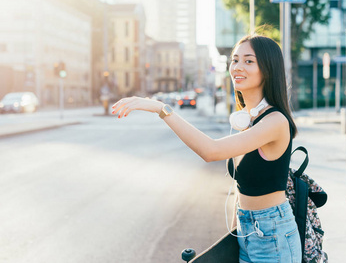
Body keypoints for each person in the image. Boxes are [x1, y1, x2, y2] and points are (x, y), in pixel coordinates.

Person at [111, 34, 301, 263]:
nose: (238, 67)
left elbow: (210, 151)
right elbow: (241, 188)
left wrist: (162, 109)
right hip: (246, 231)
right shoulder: (250, 120)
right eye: (235, 60)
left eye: (249, 61)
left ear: (267, 69)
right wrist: (233, 235)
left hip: (273, 237)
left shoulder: (275, 122)